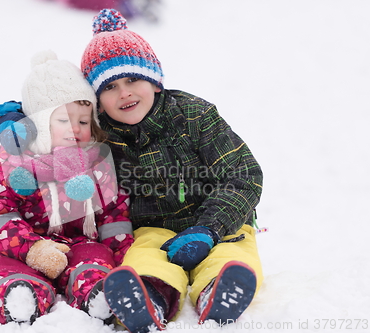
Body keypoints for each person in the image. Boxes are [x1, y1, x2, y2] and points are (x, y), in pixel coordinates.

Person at [80, 9, 264, 332]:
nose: (124, 93)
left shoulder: (194, 116)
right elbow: (62, 150)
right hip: (153, 231)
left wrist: (210, 228)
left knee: (231, 252)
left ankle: (218, 290)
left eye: (132, 79)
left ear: (154, 79)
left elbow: (243, 174)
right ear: (97, 100)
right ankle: (150, 296)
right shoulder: (102, 140)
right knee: (144, 258)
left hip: (219, 224)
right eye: (109, 87)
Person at [0, 50, 133, 325]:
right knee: (3, 265)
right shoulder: (15, 166)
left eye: (83, 121)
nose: (75, 128)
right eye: (63, 120)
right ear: (39, 124)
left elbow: (112, 214)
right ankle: (20, 294)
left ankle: (97, 294)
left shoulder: (97, 164)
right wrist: (31, 248)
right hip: (24, 247)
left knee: (96, 261)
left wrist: (124, 257)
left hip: (82, 243)